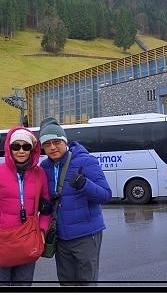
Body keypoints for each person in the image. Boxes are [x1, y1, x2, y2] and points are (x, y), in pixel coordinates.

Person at [38, 117, 112, 285]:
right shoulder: (44, 167)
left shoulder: (86, 161)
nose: (52, 147)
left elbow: (106, 195)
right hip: (61, 237)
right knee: (66, 282)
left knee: (86, 281)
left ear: (64, 141)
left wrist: (85, 184)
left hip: (86, 235)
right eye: (47, 144)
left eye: (56, 142)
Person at [0, 127, 51, 286]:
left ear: (32, 149)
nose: (21, 151)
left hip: (28, 239)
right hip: (1, 240)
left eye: (26, 146)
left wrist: (42, 231)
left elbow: (46, 208)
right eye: (15, 146)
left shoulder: (40, 174)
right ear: (9, 148)